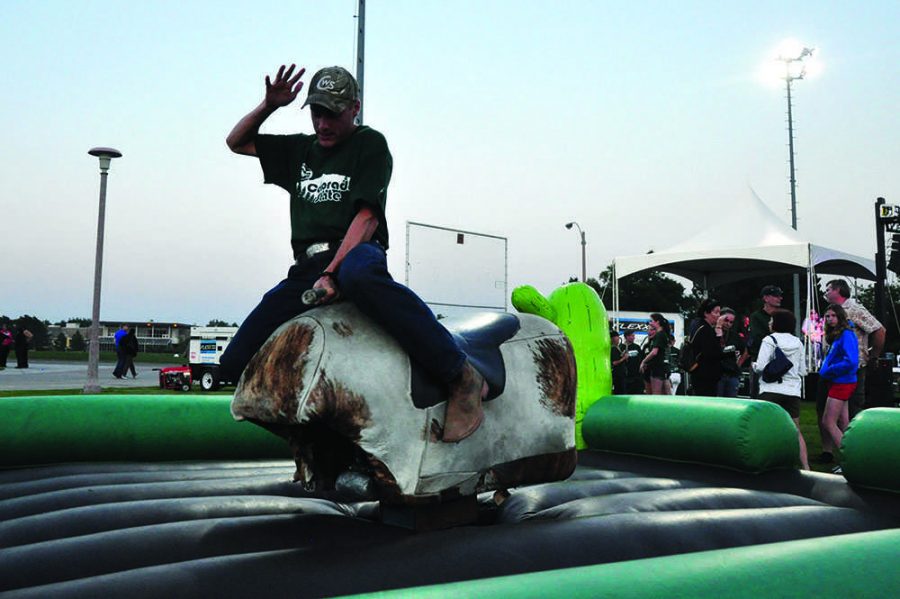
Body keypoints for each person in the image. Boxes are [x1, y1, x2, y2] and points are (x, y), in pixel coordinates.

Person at [222, 64, 486, 442]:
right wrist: (269, 105)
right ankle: (320, 443)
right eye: (317, 113)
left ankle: (461, 374)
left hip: (358, 250)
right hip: (307, 268)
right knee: (234, 362)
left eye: (333, 113)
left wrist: (333, 272)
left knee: (359, 276)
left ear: (354, 108)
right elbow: (236, 142)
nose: (323, 123)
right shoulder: (300, 150)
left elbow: (366, 218)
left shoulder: (370, 144)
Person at [752, 309, 810, 470]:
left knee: (764, 429)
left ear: (777, 323)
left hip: (770, 390)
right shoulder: (798, 342)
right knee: (795, 431)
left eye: (771, 320)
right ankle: (806, 466)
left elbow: (761, 366)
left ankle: (763, 464)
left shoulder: (769, 340)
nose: (769, 323)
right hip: (792, 391)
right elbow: (802, 370)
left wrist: (754, 366)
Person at [818, 303, 859, 467]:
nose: (829, 319)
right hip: (840, 381)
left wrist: (831, 369)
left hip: (842, 382)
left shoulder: (846, 334)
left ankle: (849, 459)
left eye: (833, 315)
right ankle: (851, 456)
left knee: (828, 421)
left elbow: (852, 361)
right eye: (827, 316)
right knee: (843, 421)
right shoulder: (839, 334)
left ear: (840, 316)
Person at [747, 285, 783, 398]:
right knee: (758, 395)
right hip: (761, 359)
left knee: (778, 394)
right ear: (766, 298)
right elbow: (758, 338)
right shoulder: (756, 317)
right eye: (776, 296)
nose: (779, 298)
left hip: (780, 360)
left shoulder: (782, 315)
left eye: (780, 296)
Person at [688, 299, 722, 397]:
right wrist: (718, 334)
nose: (718, 315)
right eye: (716, 312)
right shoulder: (705, 329)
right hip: (706, 373)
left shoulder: (696, 324)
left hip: (697, 370)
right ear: (706, 313)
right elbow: (711, 352)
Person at [717, 308, 747, 397]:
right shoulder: (712, 332)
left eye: (731, 322)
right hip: (717, 374)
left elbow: (746, 351)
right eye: (726, 320)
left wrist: (738, 364)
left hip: (732, 374)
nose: (728, 324)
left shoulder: (735, 336)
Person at [639, 313, 671, 395]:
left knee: (656, 395)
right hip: (659, 368)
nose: (650, 323)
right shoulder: (662, 334)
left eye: (651, 321)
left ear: (657, 322)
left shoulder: (660, 334)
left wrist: (644, 361)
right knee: (663, 393)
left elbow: (654, 352)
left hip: (658, 368)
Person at [609, 330, 627, 395]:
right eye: (617, 338)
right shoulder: (613, 349)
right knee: (620, 391)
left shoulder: (617, 348)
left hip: (621, 374)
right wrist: (623, 358)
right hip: (618, 375)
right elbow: (614, 362)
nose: (618, 339)